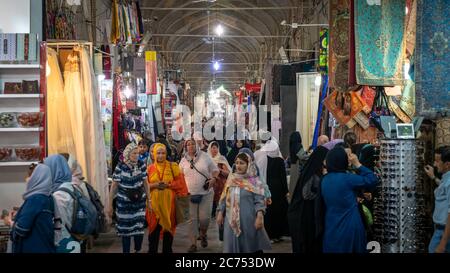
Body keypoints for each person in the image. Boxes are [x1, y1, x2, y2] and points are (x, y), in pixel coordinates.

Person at [321, 147, 378, 253]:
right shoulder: (348, 178)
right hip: (350, 224)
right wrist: (357, 164)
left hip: (332, 223)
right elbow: (373, 179)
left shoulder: (325, 179)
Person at [216, 152, 272, 253]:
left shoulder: (254, 181)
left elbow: (259, 200)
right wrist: (220, 212)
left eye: (242, 163)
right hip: (231, 220)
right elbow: (224, 197)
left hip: (248, 221)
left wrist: (260, 216)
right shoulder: (231, 179)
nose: (238, 166)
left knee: (249, 246)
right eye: (237, 163)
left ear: (248, 164)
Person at [146, 143, 188, 253]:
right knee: (153, 234)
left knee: (168, 235)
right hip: (153, 207)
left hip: (170, 206)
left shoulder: (173, 166)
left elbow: (181, 184)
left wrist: (169, 185)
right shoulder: (149, 169)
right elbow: (144, 186)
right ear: (154, 154)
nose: (161, 155)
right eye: (158, 153)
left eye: (163, 153)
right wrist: (155, 185)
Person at [179, 139, 220, 253]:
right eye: (188, 144)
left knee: (204, 219)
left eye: (193, 144)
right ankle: (193, 244)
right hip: (189, 195)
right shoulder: (183, 161)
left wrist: (213, 178)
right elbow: (179, 177)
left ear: (196, 145)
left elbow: (215, 170)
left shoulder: (205, 157)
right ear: (185, 147)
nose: (191, 146)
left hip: (206, 194)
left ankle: (203, 234)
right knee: (191, 220)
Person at [109, 143, 149, 253]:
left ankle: (138, 249)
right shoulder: (120, 166)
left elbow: (146, 183)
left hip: (139, 203)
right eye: (134, 153)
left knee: (139, 229)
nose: (137, 155)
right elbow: (114, 186)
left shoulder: (141, 165)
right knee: (125, 231)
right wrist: (109, 205)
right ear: (128, 154)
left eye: (137, 153)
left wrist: (149, 201)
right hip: (124, 204)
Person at [288, 146, 329, 253]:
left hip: (307, 212)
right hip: (304, 213)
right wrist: (320, 195)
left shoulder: (315, 169)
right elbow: (306, 194)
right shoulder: (312, 172)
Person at [8, 164, 55, 253]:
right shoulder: (49, 198)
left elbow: (21, 229)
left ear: (37, 178)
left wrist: (11, 222)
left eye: (30, 176)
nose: (27, 179)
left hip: (33, 247)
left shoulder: (35, 199)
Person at [254, 140, 289, 242]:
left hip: (268, 187)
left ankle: (269, 235)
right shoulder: (279, 160)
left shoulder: (264, 158)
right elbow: (283, 177)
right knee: (278, 212)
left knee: (269, 212)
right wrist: (286, 191)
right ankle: (278, 234)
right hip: (278, 189)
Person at [44, 154, 80, 253]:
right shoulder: (71, 187)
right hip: (73, 240)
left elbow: (60, 224)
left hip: (65, 242)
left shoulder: (59, 195)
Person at [428, 146, 450, 253]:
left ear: (447, 164)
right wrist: (433, 177)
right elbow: (443, 188)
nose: (435, 164)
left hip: (444, 233)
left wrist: (442, 244)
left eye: (437, 161)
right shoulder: (446, 178)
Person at [207, 141, 232, 218]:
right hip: (209, 184)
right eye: (213, 148)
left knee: (219, 201)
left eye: (216, 148)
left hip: (219, 185)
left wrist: (220, 170)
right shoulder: (206, 159)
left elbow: (229, 173)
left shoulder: (222, 158)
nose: (215, 150)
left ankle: (219, 213)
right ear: (210, 149)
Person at [288, 132, 308, 199]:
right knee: (297, 185)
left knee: (293, 185)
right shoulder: (298, 145)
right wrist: (310, 155)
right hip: (297, 167)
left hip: (293, 166)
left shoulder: (292, 145)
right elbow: (302, 156)